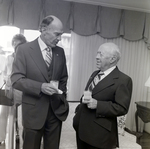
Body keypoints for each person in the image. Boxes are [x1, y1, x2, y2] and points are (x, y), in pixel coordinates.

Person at [11, 15, 69, 149]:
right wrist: (40, 87)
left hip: (55, 113)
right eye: (57, 34)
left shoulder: (60, 52)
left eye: (61, 35)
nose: (59, 39)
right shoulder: (24, 50)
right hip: (33, 113)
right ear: (43, 29)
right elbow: (16, 79)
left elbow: (63, 78)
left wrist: (61, 96)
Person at [73, 42, 133, 149]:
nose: (96, 57)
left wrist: (98, 105)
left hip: (99, 136)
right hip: (81, 130)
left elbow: (122, 108)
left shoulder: (124, 80)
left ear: (112, 59)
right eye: (97, 53)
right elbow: (88, 95)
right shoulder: (95, 74)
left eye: (100, 54)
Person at [2, 34, 27, 148]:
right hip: (9, 89)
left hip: (20, 91)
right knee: (5, 115)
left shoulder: (25, 58)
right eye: (14, 44)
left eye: (18, 44)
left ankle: (20, 141)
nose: (15, 46)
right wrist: (6, 79)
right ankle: (4, 139)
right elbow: (5, 72)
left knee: (19, 118)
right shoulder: (9, 58)